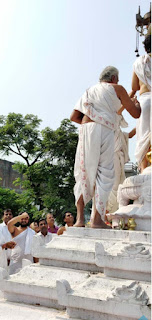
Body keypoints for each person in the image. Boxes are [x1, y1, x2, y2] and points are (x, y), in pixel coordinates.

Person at [70, 66, 141, 228]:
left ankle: (80, 220)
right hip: (105, 131)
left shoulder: (89, 91)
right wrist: (138, 104)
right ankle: (96, 219)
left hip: (86, 129)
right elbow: (135, 113)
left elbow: (74, 117)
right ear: (114, 78)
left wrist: (95, 119)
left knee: (83, 173)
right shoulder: (117, 88)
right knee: (105, 174)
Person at [129, 34, 151, 172]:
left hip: (145, 101)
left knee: (143, 137)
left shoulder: (139, 63)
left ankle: (144, 171)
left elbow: (134, 87)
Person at [106, 114, 135, 213]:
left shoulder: (120, 133)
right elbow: (116, 111)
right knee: (114, 183)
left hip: (120, 159)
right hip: (111, 158)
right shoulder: (108, 129)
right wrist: (129, 98)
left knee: (120, 183)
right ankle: (108, 209)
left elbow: (130, 135)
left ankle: (115, 209)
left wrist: (142, 122)